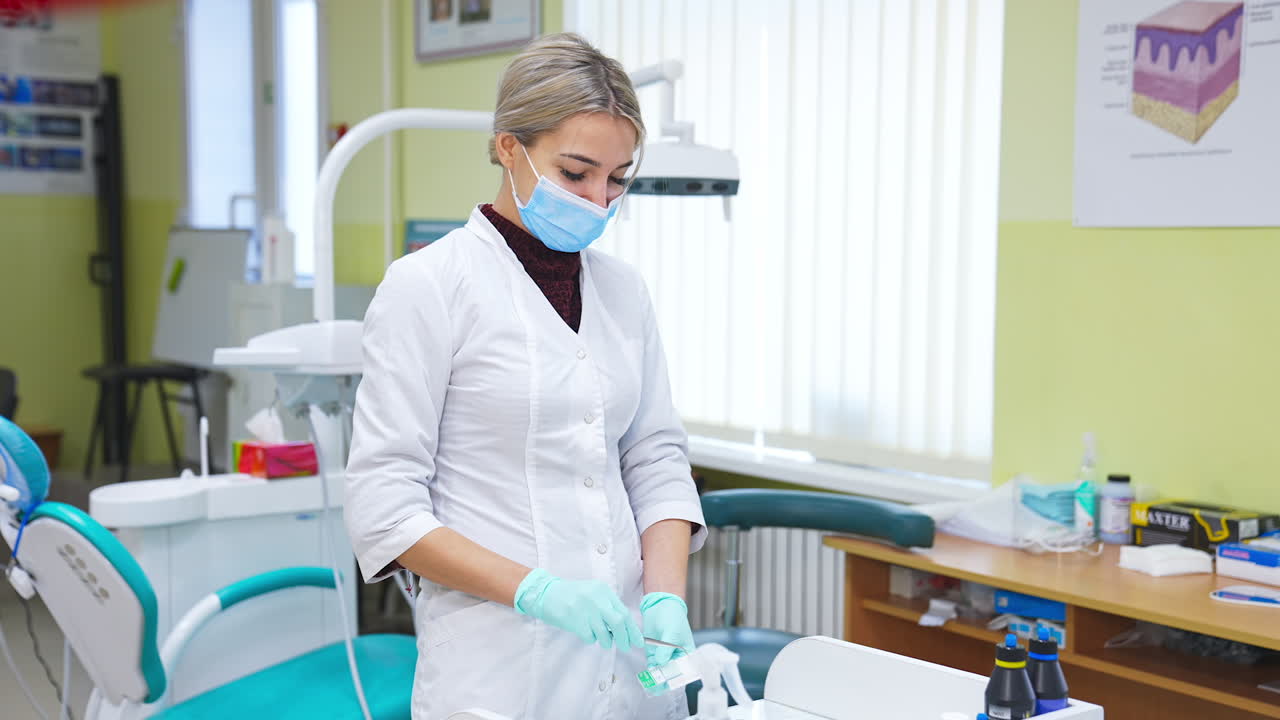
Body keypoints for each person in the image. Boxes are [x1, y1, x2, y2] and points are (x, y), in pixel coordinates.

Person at [344, 33, 707, 719]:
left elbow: (655, 456)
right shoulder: (429, 287)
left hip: (628, 669)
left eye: (619, 177)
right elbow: (384, 507)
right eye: (576, 173)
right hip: (498, 669)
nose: (600, 199)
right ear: (509, 148)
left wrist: (665, 597)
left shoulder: (624, 292)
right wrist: (538, 591)